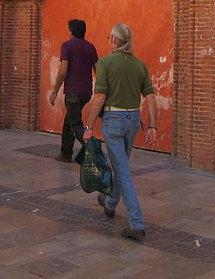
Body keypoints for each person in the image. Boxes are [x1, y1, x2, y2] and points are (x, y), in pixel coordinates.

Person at [83, 23, 157, 242]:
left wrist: (89, 126)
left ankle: (137, 223)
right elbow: (150, 97)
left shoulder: (105, 62)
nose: (108, 40)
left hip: (113, 121)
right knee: (120, 165)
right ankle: (109, 203)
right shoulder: (139, 65)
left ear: (115, 40)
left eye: (109, 37)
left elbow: (100, 96)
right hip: (133, 120)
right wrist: (152, 125)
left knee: (122, 172)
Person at [50, 19, 98, 163]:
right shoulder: (90, 47)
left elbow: (63, 70)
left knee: (75, 124)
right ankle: (65, 153)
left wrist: (55, 91)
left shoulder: (67, 46)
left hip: (73, 92)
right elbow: (98, 69)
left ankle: (94, 151)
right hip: (86, 92)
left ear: (71, 31)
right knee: (69, 121)